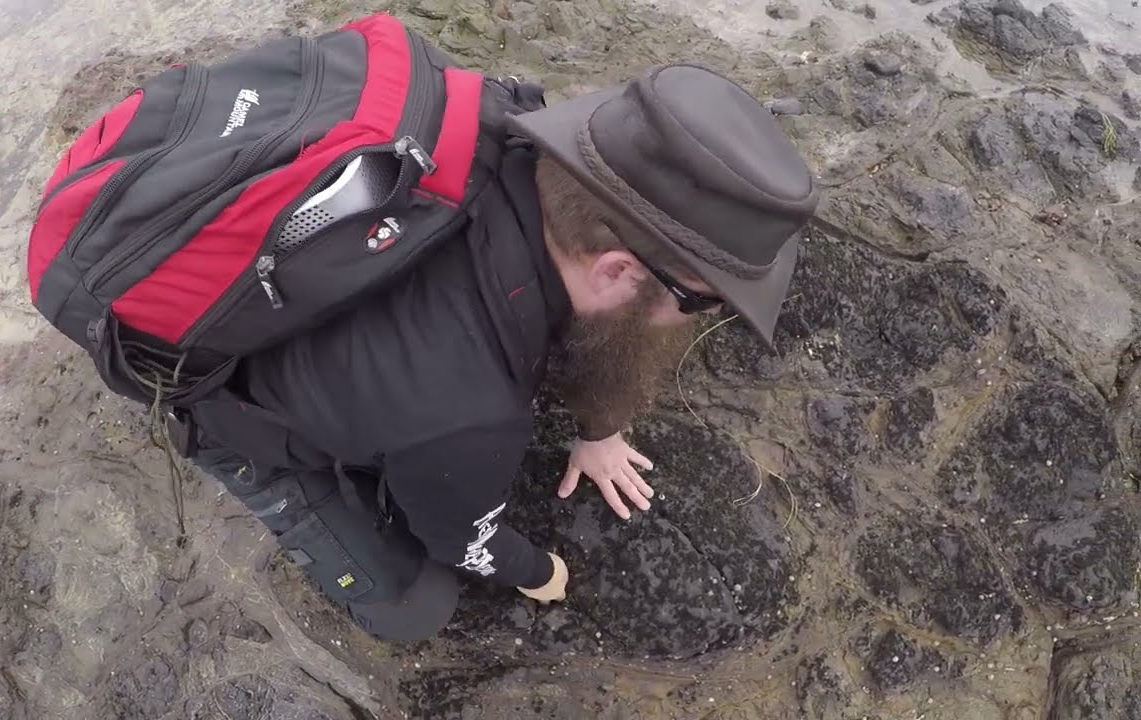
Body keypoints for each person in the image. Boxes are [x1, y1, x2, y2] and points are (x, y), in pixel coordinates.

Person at [188, 61, 820, 642]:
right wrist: (540, 570)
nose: (696, 319)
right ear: (617, 271)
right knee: (413, 610)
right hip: (223, 386)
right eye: (697, 301)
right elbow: (461, 539)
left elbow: (601, 345)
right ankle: (268, 473)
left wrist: (600, 427)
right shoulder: (466, 411)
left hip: (285, 265)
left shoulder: (503, 126)